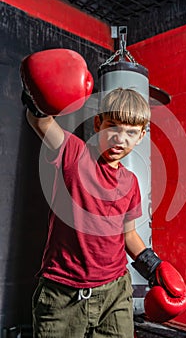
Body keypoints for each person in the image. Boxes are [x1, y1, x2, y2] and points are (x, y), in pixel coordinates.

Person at [25, 87, 153, 338]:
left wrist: (155, 267)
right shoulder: (75, 153)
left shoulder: (131, 182)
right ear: (98, 123)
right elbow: (41, 123)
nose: (120, 138)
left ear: (141, 136)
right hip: (63, 294)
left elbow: (129, 236)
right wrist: (36, 99)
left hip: (115, 294)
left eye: (130, 132)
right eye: (113, 126)